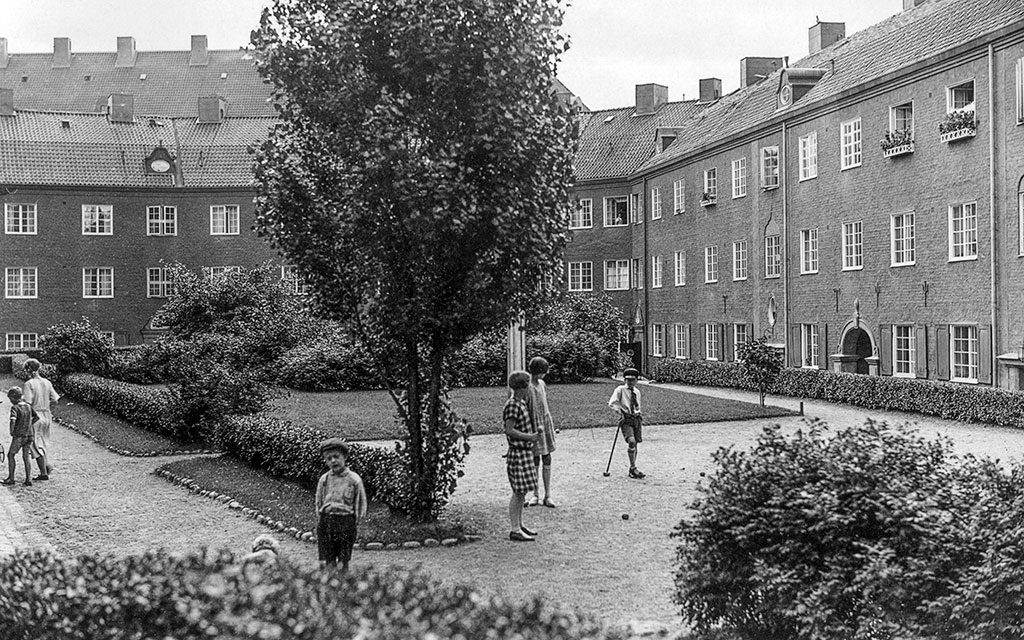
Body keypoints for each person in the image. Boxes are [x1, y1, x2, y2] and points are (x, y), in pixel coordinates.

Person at [315, 438, 366, 572]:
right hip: (327, 521)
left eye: (336, 457)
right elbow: (319, 502)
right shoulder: (324, 479)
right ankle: (329, 586)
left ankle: (343, 586)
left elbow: (360, 504)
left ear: (345, 457)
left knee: (343, 560)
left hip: (345, 522)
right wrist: (321, 519)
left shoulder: (353, 480)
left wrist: (355, 523)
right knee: (328, 559)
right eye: (329, 458)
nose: (333, 461)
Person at [504, 370, 541, 541]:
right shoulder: (512, 405)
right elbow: (509, 430)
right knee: (518, 492)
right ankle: (514, 528)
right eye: (527, 386)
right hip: (518, 454)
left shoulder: (521, 403)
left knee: (523, 491)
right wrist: (530, 437)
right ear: (521, 388)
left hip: (525, 453)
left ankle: (519, 524)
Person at [525, 357, 557, 508]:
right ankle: (535, 494)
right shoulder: (527, 386)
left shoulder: (542, 384)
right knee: (535, 459)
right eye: (542, 372)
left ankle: (548, 495)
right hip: (534, 426)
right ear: (537, 372)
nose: (544, 375)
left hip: (544, 424)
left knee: (547, 457)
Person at [22, 358, 59, 479]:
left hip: (35, 415)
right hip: (47, 414)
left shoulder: (29, 384)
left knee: (35, 444)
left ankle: (43, 473)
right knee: (43, 441)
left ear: (29, 369)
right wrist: (46, 405)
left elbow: (28, 403)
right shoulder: (47, 382)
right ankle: (46, 466)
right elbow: (55, 399)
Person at [608, 368, 646, 479]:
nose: (630, 382)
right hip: (626, 419)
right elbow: (612, 403)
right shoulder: (620, 390)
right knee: (631, 441)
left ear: (636, 381)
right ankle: (633, 468)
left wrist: (638, 414)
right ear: (624, 380)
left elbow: (637, 406)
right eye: (628, 380)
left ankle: (632, 467)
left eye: (633, 380)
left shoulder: (637, 392)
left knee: (636, 443)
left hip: (636, 419)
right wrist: (620, 411)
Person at [4, 387, 39, 487]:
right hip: (29, 434)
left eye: (10, 398)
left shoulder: (15, 408)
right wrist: (29, 424)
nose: (10, 401)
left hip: (19, 435)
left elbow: (13, 420)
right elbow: (36, 417)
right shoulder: (28, 406)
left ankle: (11, 478)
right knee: (26, 456)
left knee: (11, 455)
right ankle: (28, 479)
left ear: (14, 398)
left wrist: (12, 430)